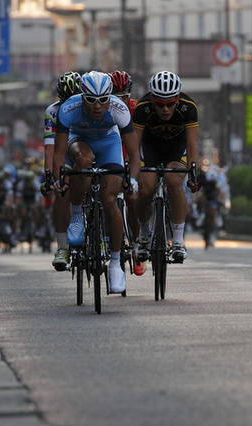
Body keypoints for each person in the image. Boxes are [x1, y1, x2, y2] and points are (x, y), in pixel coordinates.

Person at [52, 71, 140, 293]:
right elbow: (58, 153)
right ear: (82, 97)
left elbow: (133, 154)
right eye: (91, 100)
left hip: (108, 142)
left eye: (103, 100)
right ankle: (76, 217)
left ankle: (115, 264)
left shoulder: (119, 109)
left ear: (110, 97)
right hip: (78, 140)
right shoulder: (68, 109)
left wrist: (133, 179)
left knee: (110, 199)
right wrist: (58, 179)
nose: (98, 106)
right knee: (83, 161)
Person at [133, 71, 200, 263]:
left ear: (177, 98)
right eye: (159, 104)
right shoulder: (142, 108)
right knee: (145, 189)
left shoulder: (188, 107)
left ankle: (178, 241)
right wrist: (131, 172)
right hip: (150, 150)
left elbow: (193, 144)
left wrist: (194, 174)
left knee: (174, 180)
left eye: (170, 103)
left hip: (176, 150)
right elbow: (134, 144)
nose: (165, 109)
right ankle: (144, 235)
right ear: (152, 99)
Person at [42, 71, 81, 270]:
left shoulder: (88, 106)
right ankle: (62, 247)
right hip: (63, 154)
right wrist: (49, 174)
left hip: (85, 151)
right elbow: (50, 148)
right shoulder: (53, 111)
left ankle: (102, 239)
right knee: (61, 194)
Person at [109, 70, 144, 276]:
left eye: (124, 95)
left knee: (132, 198)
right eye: (116, 95)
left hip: (130, 155)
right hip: (110, 155)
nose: (120, 100)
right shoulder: (102, 106)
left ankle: (137, 246)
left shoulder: (135, 109)